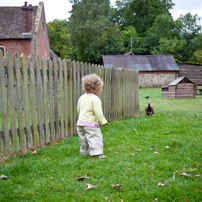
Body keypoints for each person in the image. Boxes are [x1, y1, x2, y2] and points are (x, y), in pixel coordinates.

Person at [77, 74, 109, 159]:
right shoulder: (95, 99)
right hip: (90, 124)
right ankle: (97, 153)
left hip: (80, 123)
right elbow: (98, 112)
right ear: (97, 88)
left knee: (83, 139)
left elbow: (78, 109)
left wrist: (82, 118)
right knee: (95, 137)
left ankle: (84, 152)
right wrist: (103, 121)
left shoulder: (82, 97)